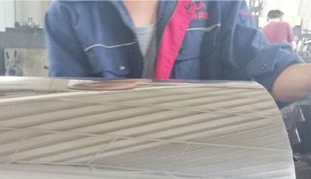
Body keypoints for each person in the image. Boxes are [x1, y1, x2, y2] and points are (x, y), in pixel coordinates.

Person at [44, 0, 311, 103]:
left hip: (199, 164)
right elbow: (66, 107)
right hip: (109, 165)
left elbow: (267, 71)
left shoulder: (219, 4)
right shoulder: (69, 11)